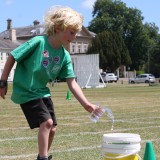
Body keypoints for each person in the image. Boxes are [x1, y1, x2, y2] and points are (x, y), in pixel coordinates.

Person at [0, 6, 103, 160]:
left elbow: (72, 83)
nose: (74, 37)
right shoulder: (38, 42)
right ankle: (43, 158)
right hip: (27, 91)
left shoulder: (64, 56)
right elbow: (13, 56)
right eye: (72, 32)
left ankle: (42, 156)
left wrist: (87, 104)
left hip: (42, 92)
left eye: (76, 33)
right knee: (47, 123)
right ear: (57, 28)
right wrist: (2, 82)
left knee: (52, 129)